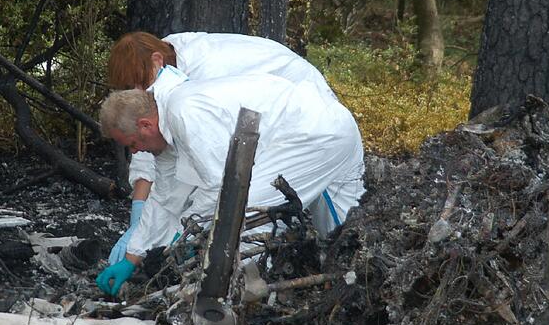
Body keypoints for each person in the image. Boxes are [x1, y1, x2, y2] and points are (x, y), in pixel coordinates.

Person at [95, 67, 365, 295]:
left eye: (132, 144)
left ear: (145, 125)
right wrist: (133, 256)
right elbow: (166, 199)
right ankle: (352, 283)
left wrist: (184, 238)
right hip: (307, 129)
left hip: (317, 131)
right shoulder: (165, 128)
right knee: (345, 235)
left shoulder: (185, 113)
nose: (135, 153)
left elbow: (220, 187)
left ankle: (248, 294)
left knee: (247, 210)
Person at [106, 31, 336, 265]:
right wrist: (139, 231)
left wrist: (184, 232)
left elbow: (218, 182)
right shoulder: (166, 83)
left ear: (157, 61)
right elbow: (156, 154)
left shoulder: (194, 90)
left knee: (328, 226)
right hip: (271, 127)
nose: (140, 93)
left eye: (141, 85)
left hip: (309, 117)